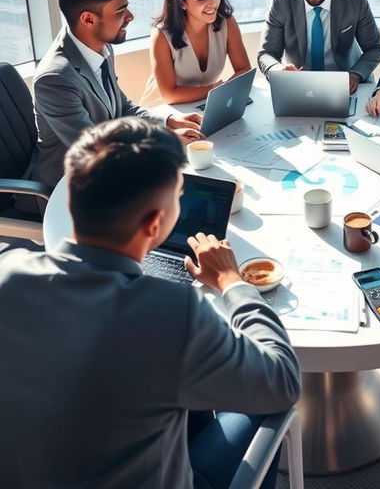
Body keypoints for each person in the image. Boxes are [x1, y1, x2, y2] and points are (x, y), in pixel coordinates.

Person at [0, 117, 301, 488]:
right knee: (266, 398)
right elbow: (283, 379)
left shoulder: (7, 269)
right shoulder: (174, 312)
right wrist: (231, 281)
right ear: (156, 224)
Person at [32, 0, 202, 188]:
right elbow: (94, 147)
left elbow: (122, 106)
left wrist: (168, 121)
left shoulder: (100, 45)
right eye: (121, 11)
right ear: (88, 19)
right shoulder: (55, 78)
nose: (130, 16)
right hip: (70, 189)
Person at [148, 0, 251, 105]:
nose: (212, 3)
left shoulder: (227, 23)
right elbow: (170, 95)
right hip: (166, 110)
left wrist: (219, 92)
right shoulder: (161, 36)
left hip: (202, 104)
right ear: (182, 4)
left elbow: (244, 70)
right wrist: (216, 90)